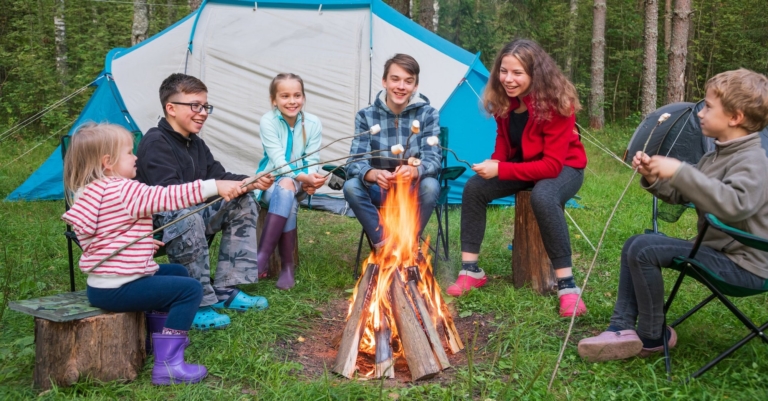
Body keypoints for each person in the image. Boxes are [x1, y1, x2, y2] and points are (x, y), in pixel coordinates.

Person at [578, 69, 768, 362]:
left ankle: (653, 336)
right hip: (719, 252)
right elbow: (682, 196)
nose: (700, 113)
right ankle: (621, 328)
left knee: (644, 248)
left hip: (748, 267)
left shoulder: (753, 161)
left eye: (708, 106)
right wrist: (653, 175)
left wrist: (680, 170)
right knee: (637, 242)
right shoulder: (715, 155)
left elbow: (734, 204)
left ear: (735, 117)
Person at [61, 124, 248, 384]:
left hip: (100, 286)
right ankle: (168, 365)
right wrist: (215, 186)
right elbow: (168, 196)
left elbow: (98, 238)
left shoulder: (89, 192)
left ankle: (154, 340)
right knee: (190, 289)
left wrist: (141, 245)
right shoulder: (123, 189)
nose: (135, 157)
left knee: (177, 272)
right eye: (129, 152)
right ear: (108, 162)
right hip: (121, 286)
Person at [446, 39, 589, 319]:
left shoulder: (559, 103)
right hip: (524, 165)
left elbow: (550, 165)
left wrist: (502, 170)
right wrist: (496, 161)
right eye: (503, 71)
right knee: (475, 188)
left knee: (544, 196)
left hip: (564, 169)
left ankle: (568, 287)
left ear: (535, 74)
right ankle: (471, 270)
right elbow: (504, 139)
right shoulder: (505, 99)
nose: (508, 79)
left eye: (517, 73)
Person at [136, 73, 273, 331]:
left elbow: (219, 177)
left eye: (205, 106)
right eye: (195, 106)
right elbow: (168, 196)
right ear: (171, 108)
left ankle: (225, 288)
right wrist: (214, 187)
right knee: (185, 212)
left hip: (190, 215)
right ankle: (197, 299)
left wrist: (250, 181)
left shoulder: (195, 144)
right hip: (155, 227)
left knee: (242, 201)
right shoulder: (155, 141)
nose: (202, 113)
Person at [343, 54, 441, 252]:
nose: (401, 86)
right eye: (395, 79)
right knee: (351, 186)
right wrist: (374, 174)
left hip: (413, 188)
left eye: (408, 81)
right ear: (384, 81)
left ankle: (409, 243)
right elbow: (355, 162)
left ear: (415, 86)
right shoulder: (366, 116)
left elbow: (433, 159)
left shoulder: (428, 114)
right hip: (380, 188)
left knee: (431, 186)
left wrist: (414, 171)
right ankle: (385, 244)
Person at [255, 73, 325, 290]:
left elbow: (312, 158)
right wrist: (302, 177)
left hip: (299, 184)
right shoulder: (268, 121)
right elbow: (278, 162)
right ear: (273, 100)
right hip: (270, 181)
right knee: (286, 190)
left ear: (303, 97)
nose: (292, 101)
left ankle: (261, 259)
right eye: (284, 96)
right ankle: (285, 266)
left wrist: (311, 179)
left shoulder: (313, 123)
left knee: (289, 187)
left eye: (297, 95)